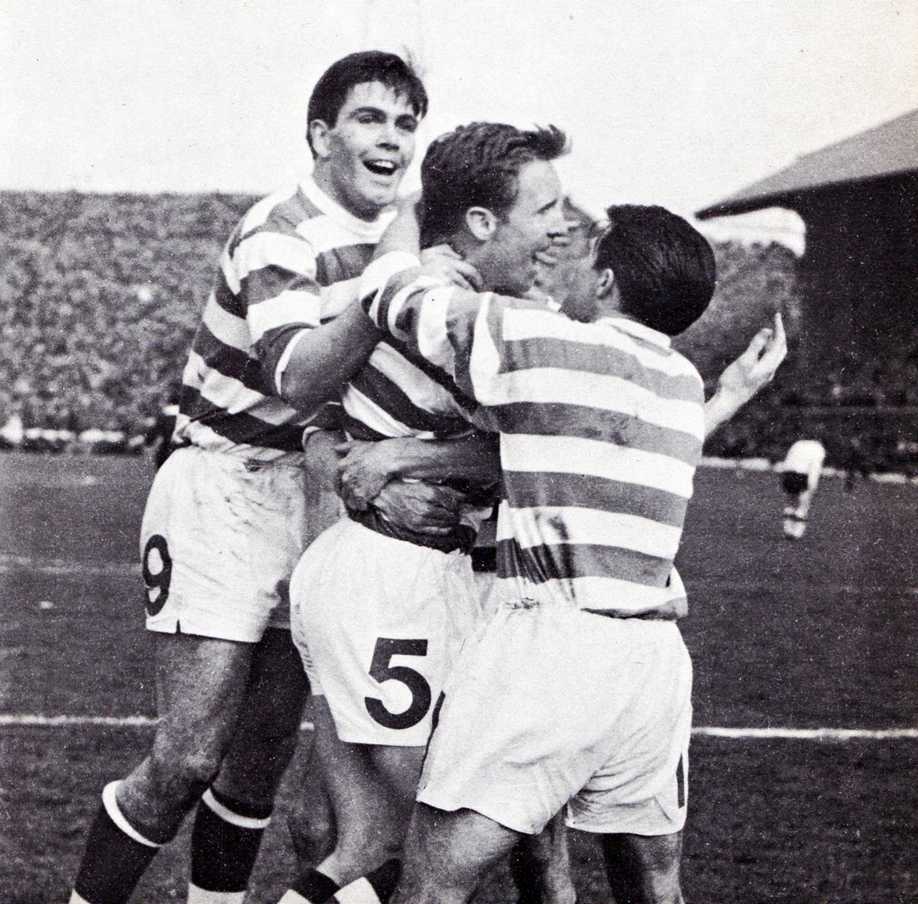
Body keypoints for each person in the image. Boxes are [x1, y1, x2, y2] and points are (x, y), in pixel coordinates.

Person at [284, 122, 785, 904]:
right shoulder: (681, 385)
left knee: (431, 878)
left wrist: (415, 231)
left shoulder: (542, 345)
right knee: (654, 883)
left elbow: (396, 297)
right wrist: (734, 393)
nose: (563, 246)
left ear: (609, 283)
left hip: (554, 645)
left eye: (585, 250)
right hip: (653, 664)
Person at [67, 51, 461, 904]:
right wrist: (390, 285)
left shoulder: (401, 242)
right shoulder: (282, 230)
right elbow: (298, 375)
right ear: (321, 135)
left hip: (317, 494)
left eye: (406, 123)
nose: (392, 139)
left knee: (258, 762)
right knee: (186, 759)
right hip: (225, 483)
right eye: (369, 118)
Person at [280, 124, 575, 904]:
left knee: (371, 842)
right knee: (456, 822)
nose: (564, 225)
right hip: (389, 579)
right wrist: (379, 460)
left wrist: (394, 457)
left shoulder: (420, 280)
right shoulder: (459, 314)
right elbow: (533, 462)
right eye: (546, 208)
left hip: (390, 572)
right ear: (480, 221)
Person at [779, 438, 826, 538]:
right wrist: (813, 485)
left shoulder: (798, 443)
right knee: (803, 505)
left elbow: (788, 460)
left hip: (789, 473)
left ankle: (788, 530)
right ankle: (797, 532)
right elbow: (815, 467)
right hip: (803, 474)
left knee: (790, 502)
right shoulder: (819, 448)